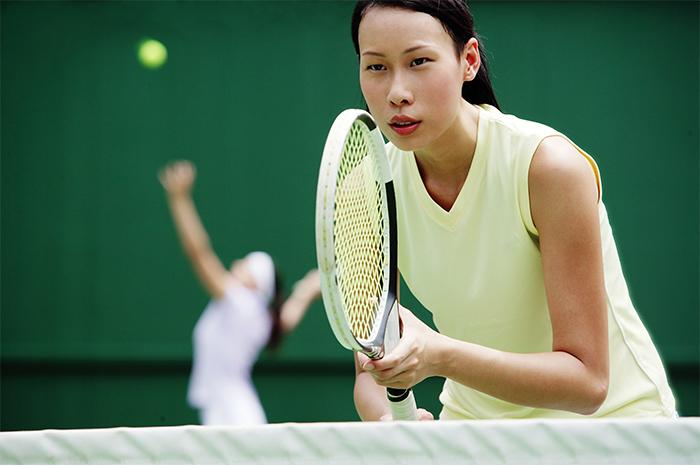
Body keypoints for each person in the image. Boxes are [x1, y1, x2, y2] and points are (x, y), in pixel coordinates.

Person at [349, 0, 676, 421]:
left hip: (614, 428)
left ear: (468, 61)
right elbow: (370, 361)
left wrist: (439, 356)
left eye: (419, 61)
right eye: (376, 67)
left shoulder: (549, 168)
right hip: (474, 430)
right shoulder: (367, 185)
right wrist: (392, 424)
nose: (397, 92)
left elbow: (588, 382)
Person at [159, 160, 321, 425]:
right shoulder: (257, 314)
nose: (235, 266)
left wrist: (180, 199)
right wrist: (308, 290)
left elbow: (198, 253)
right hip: (233, 410)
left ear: (255, 285)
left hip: (233, 414)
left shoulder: (241, 303)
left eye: (244, 267)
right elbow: (287, 318)